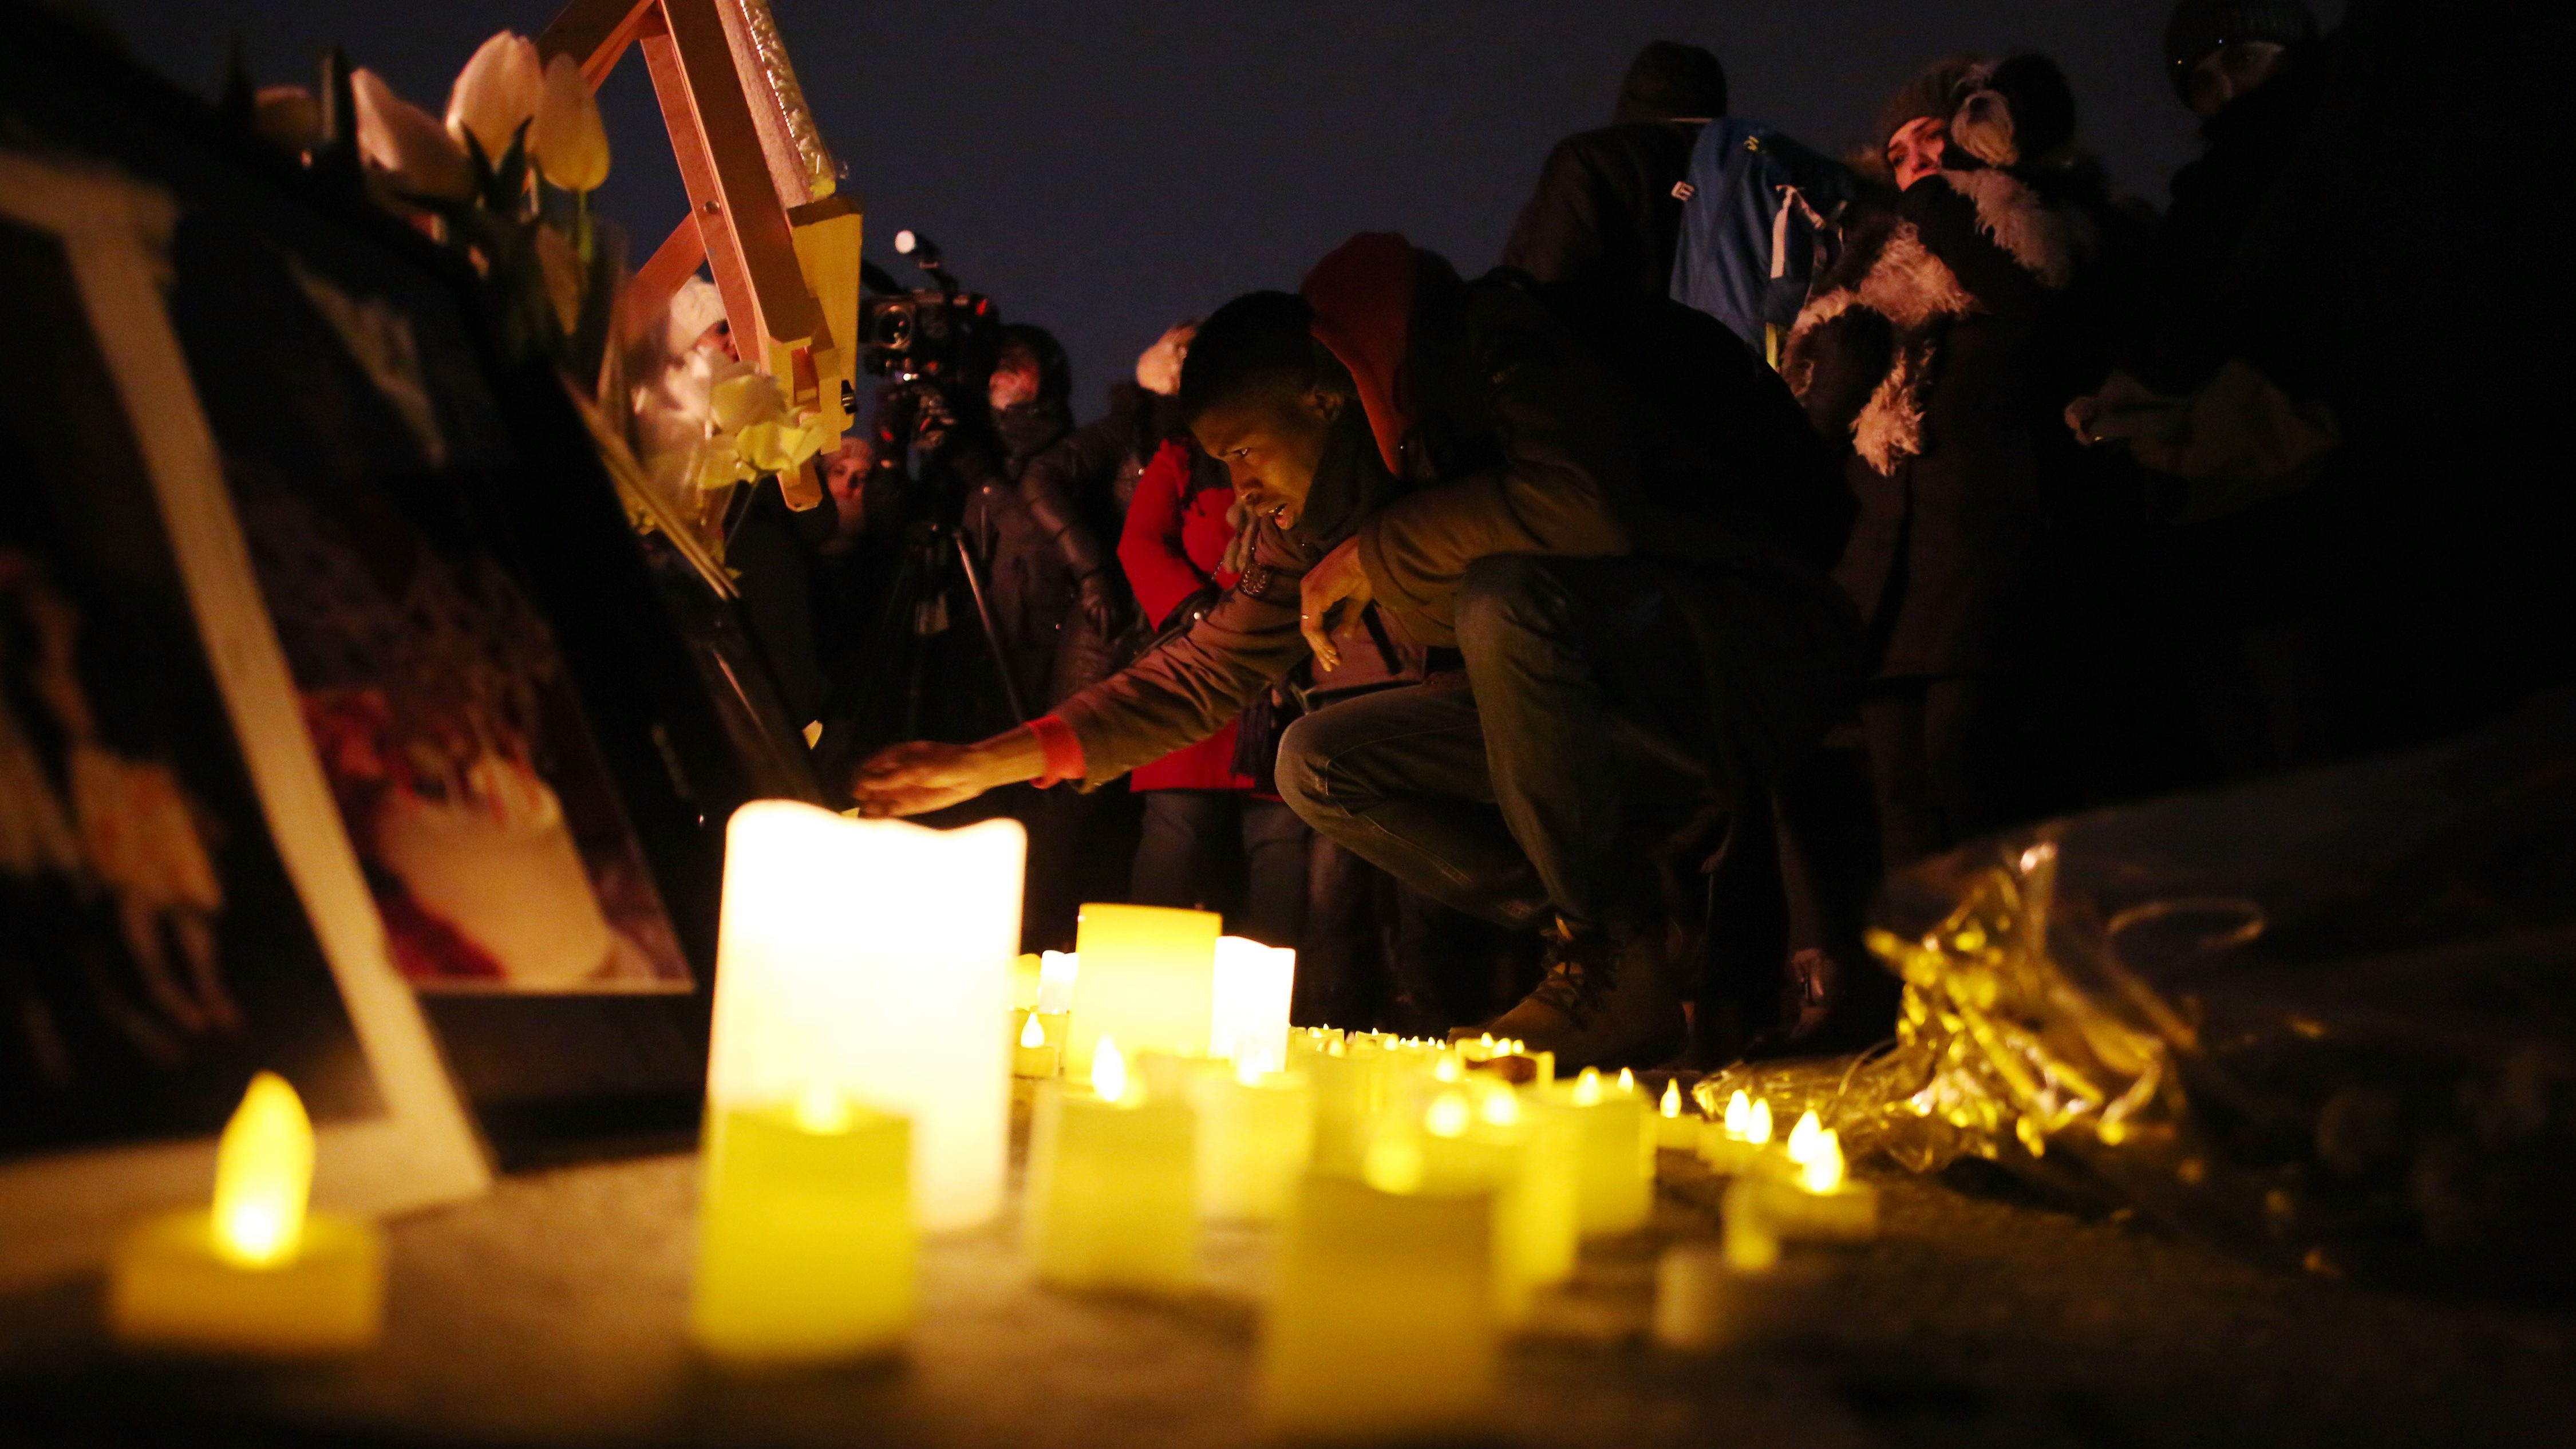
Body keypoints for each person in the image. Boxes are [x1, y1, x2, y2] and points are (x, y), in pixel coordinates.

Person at [854, 232, 1858, 1069]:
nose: (1240, 488)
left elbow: (1583, 501)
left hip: (1742, 649)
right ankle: (1624, 941)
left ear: (1323, 400)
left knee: (1503, 602)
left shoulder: (1492, 346)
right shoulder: (1322, 498)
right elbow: (1205, 669)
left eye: (1244, 453)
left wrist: (1382, 551)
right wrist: (993, 760)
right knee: (1318, 760)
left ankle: (1611, 948)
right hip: (1611, 697)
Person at [1782, 55, 2115, 871]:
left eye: (1931, 138)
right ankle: (1930, 951)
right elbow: (1816, 403)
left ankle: (2024, 941)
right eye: (1897, 154)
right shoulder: (1871, 266)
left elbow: (2032, 304)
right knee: (1901, 790)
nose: (1916, 162)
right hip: (1888, 566)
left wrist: (1935, 201)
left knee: (1969, 763)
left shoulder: (2029, 224)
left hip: (1986, 547)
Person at [1501, 40, 1728, 297]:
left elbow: (1550, 272)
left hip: (1603, 321)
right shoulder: (1747, 168)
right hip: (1718, 324)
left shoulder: (1590, 157)